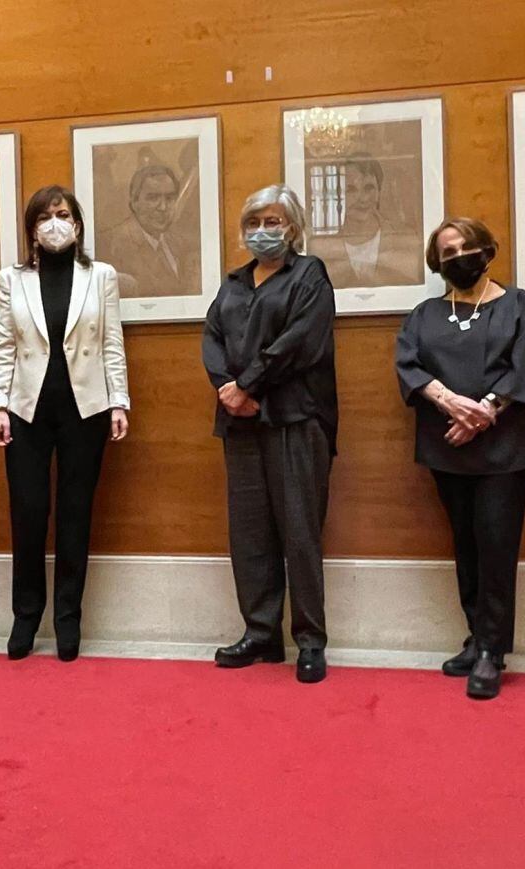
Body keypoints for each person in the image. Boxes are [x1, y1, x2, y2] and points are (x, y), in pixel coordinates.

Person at [395, 217, 525, 700]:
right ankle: (476, 635)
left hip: (503, 447)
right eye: (446, 250)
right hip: (447, 444)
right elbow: (408, 364)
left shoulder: (518, 306)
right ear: (436, 261)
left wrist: (483, 411)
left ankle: (492, 653)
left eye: (465, 246)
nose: (457, 256)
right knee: (466, 544)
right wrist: (450, 403)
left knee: (497, 544)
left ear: (486, 249)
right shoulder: (425, 313)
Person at [0, 185, 130, 662]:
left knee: (75, 516)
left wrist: (119, 402)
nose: (55, 223)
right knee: (27, 515)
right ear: (31, 228)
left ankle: (68, 620)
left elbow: (112, 342)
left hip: (85, 410)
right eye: (45, 216)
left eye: (64, 214)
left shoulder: (101, 275)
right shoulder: (12, 278)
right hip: (26, 411)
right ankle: (26, 617)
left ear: (78, 224)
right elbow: (5, 344)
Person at [202, 184, 338, 683]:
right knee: (250, 533)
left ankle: (310, 641)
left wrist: (249, 383)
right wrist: (227, 388)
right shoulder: (234, 282)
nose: (262, 231)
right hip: (240, 421)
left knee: (299, 530)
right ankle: (261, 633)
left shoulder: (309, 275)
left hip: (295, 419)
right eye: (254, 222)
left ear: (294, 227)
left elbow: (301, 342)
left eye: (274, 221)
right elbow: (212, 336)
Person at [312, 154, 423, 288]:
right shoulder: (319, 247)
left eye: (369, 188)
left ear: (379, 192)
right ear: (338, 195)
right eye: (351, 189)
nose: (362, 198)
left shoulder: (406, 238)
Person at [97, 164, 199, 298]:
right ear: (134, 202)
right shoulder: (112, 245)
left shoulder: (180, 244)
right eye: (153, 198)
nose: (163, 207)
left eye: (169, 198)